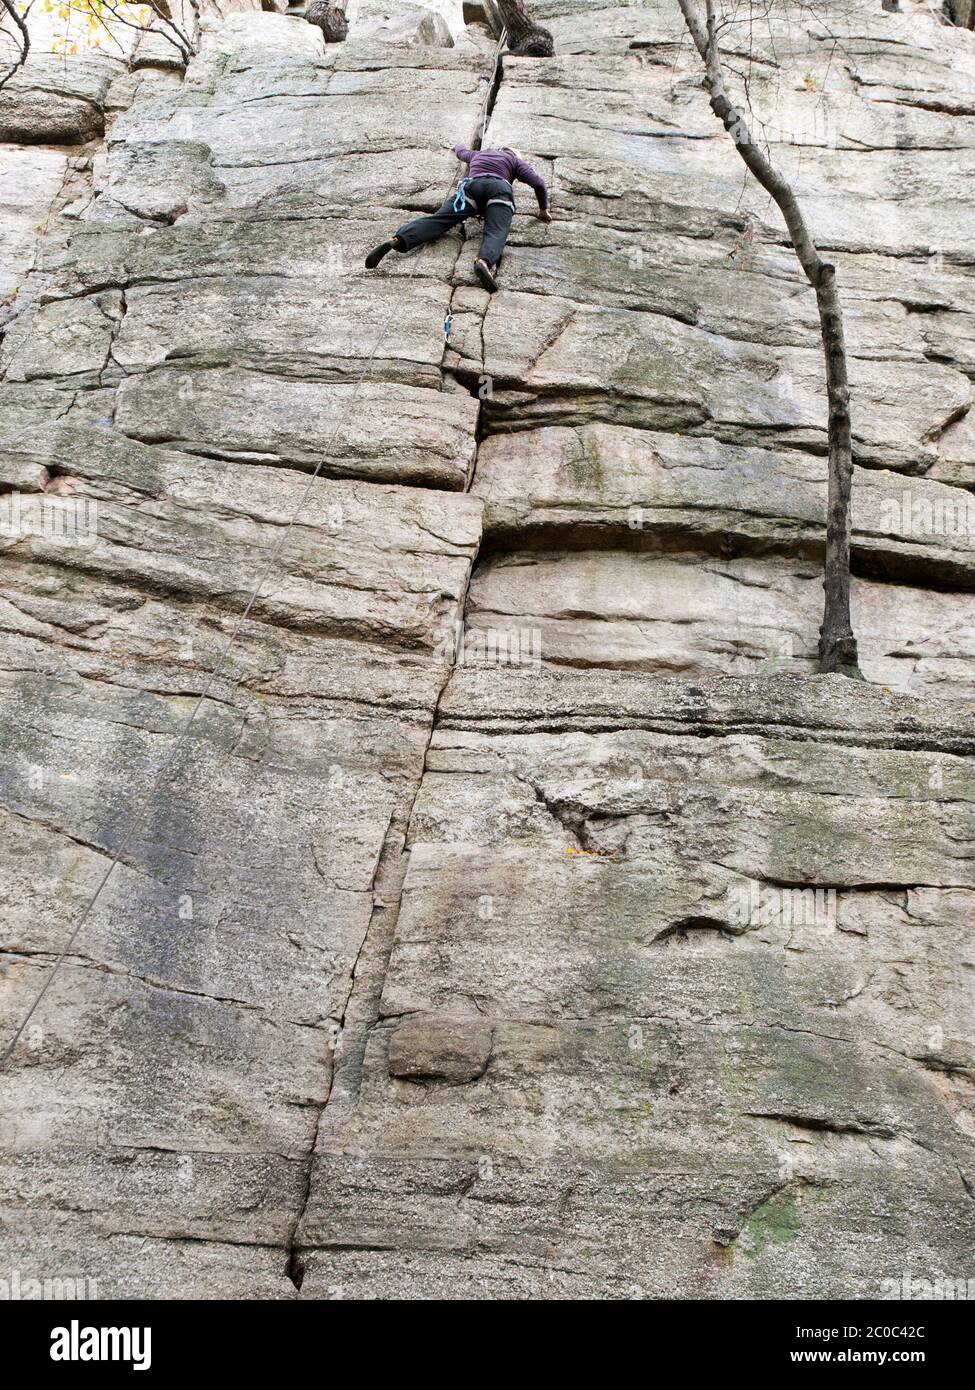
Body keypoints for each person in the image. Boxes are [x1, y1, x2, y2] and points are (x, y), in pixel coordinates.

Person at [364, 144, 552, 292]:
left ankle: (398, 239)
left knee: (438, 220)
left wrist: (457, 145)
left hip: (471, 188)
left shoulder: (479, 155)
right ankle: (484, 262)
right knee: (496, 230)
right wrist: (543, 210)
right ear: (514, 155)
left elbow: (461, 151)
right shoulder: (514, 161)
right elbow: (539, 184)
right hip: (498, 190)